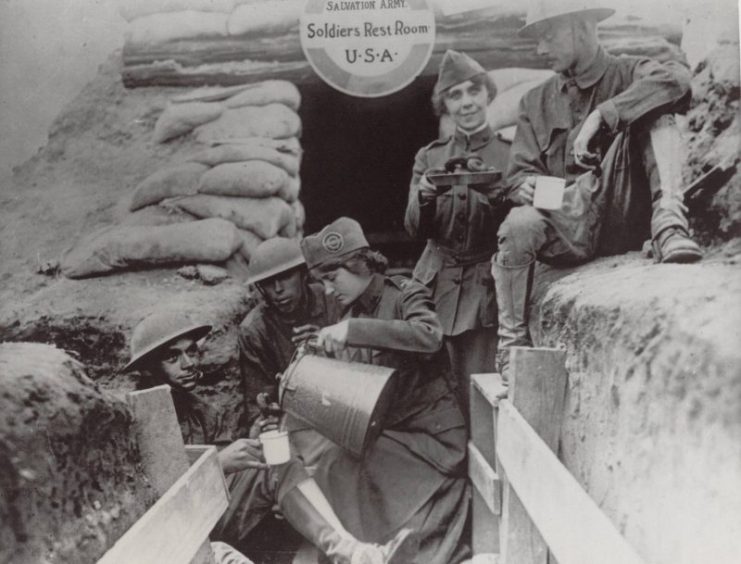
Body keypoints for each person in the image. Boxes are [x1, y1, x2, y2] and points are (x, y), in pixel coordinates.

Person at [491, 0, 702, 379]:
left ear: (584, 26)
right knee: (518, 222)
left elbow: (678, 82)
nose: (540, 50)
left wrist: (603, 116)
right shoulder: (534, 102)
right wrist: (525, 186)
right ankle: (512, 344)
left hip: (625, 208)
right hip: (568, 215)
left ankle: (670, 223)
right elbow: (517, 175)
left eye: (549, 36)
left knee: (656, 110)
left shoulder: (629, 71)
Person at [125, 308, 413, 564]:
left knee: (278, 460)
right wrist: (218, 462)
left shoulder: (202, 410)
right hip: (173, 533)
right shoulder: (135, 420)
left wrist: (251, 446)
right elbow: (147, 497)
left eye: (191, 352)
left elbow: (232, 475)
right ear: (149, 369)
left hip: (210, 513)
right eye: (173, 357)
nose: (187, 364)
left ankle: (349, 552)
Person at [301, 217, 471, 564]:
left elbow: (429, 336)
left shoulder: (405, 292)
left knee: (343, 465)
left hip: (432, 438)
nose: (330, 290)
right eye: (323, 282)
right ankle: (363, 552)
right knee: (330, 463)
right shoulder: (354, 309)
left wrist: (356, 330)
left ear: (359, 264)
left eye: (332, 278)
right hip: (395, 432)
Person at [405, 49, 511, 415]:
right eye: (455, 95)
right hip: (436, 285)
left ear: (487, 94)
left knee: (479, 390)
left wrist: (501, 199)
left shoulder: (511, 154)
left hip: (485, 287)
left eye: (473, 91)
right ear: (444, 105)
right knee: (432, 391)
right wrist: (425, 197)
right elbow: (415, 228)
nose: (466, 103)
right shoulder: (429, 157)